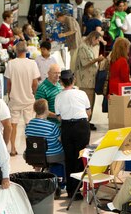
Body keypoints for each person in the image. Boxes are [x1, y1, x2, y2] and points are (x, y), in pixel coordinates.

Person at [54, 70, 91, 199]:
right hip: (82, 126)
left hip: (67, 127)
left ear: (61, 82)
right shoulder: (82, 94)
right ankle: (79, 187)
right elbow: (88, 112)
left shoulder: (58, 97)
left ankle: (71, 191)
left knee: (69, 158)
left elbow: (59, 117)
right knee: (81, 157)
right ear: (73, 80)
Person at [4, 41, 40, 156]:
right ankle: (30, 148)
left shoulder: (11, 64)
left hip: (15, 98)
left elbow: (8, 83)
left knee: (13, 124)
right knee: (29, 125)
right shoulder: (32, 64)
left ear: (16, 51)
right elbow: (35, 82)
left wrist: (9, 94)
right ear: (26, 51)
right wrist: (33, 93)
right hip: (28, 98)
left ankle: (13, 148)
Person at [25, 99, 65, 175]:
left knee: (37, 147)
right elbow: (61, 139)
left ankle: (37, 173)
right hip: (51, 155)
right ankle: (62, 178)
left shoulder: (29, 124)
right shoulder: (52, 125)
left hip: (33, 154)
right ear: (47, 110)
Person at [74, 31, 105, 130]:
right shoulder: (83, 47)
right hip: (85, 81)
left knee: (91, 102)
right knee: (87, 103)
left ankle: (88, 121)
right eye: (97, 40)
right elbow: (85, 63)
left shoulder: (88, 48)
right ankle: (85, 122)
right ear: (93, 38)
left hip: (90, 80)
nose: (97, 43)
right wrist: (97, 60)